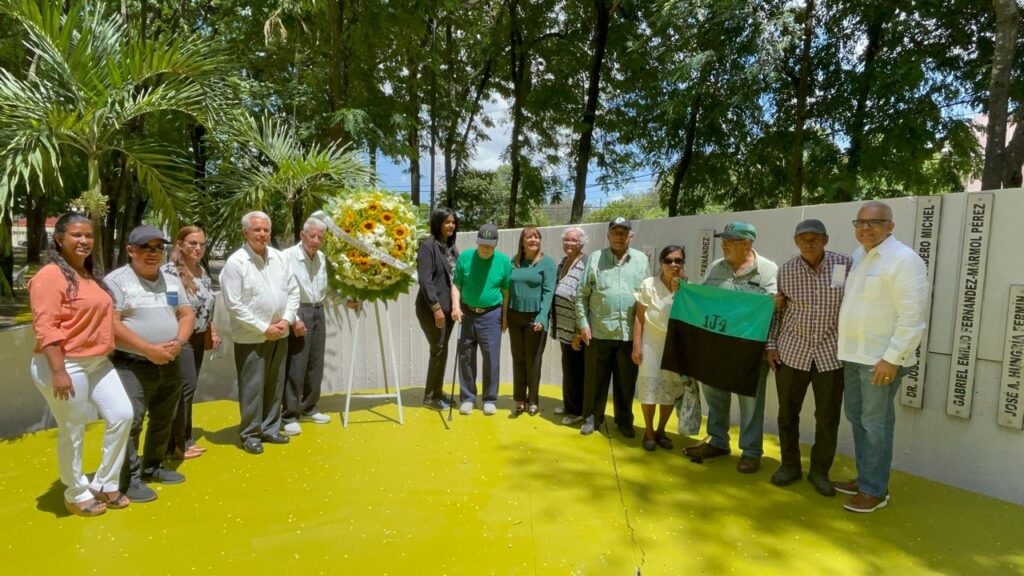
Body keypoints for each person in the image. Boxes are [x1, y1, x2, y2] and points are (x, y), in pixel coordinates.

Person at [28, 213, 134, 516]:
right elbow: (46, 327)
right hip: (65, 363)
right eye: (76, 235)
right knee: (73, 429)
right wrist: (58, 370)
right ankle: (75, 493)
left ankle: (105, 482)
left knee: (123, 415)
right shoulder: (49, 276)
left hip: (97, 362)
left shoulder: (87, 273)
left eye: (88, 235)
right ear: (59, 239)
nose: (84, 241)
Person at [833, 201, 929, 513]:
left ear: (890, 225)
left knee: (876, 425)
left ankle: (875, 490)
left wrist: (892, 359)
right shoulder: (858, 255)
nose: (866, 228)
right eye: (860, 222)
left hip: (880, 360)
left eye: (874, 222)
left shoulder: (904, 260)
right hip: (852, 356)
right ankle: (865, 478)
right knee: (857, 418)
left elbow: (913, 318)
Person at [107, 225, 195, 503]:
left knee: (163, 416)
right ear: (130, 250)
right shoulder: (116, 281)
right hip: (131, 363)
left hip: (169, 359)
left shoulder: (171, 280)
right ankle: (127, 480)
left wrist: (178, 342)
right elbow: (112, 324)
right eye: (145, 247)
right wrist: (147, 350)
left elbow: (186, 313)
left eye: (158, 248)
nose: (153, 253)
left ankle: (153, 466)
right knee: (131, 421)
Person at [683, 221, 777, 473]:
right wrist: (685, 289)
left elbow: (773, 310)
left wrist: (773, 307)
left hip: (749, 350)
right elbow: (703, 298)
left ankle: (751, 452)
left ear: (747, 243)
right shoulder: (716, 267)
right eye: (723, 240)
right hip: (717, 347)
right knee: (714, 394)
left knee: (750, 402)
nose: (723, 244)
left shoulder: (768, 270)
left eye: (730, 240)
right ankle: (718, 441)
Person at [766, 219, 851, 496]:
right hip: (792, 352)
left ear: (826, 240)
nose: (809, 243)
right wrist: (771, 345)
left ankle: (819, 472)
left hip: (831, 354)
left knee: (827, 417)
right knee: (787, 414)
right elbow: (778, 311)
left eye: (814, 238)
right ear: (796, 242)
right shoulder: (786, 271)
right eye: (803, 239)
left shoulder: (845, 265)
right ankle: (789, 466)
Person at [219, 211, 300, 455]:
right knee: (252, 387)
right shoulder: (236, 263)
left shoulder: (279, 258)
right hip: (251, 337)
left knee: (275, 385)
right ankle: (251, 434)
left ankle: (270, 428)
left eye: (266, 230)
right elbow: (234, 305)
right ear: (245, 232)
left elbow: (293, 291)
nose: (262, 234)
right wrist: (264, 328)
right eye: (257, 230)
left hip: (280, 333)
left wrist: (286, 320)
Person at [575, 217, 649, 438]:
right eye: (615, 232)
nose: (619, 236)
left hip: (629, 333)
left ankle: (624, 420)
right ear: (608, 235)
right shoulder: (596, 258)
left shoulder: (641, 260)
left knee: (626, 382)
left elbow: (647, 296)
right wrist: (583, 324)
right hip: (598, 332)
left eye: (623, 232)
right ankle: (592, 417)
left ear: (630, 236)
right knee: (594, 381)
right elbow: (581, 294)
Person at [162, 225, 221, 460]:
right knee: (184, 389)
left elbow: (206, 305)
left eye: (202, 244)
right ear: (180, 245)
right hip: (179, 338)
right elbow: (169, 308)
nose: (198, 248)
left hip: (198, 337)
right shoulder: (169, 272)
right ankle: (174, 444)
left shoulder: (201, 271)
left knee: (189, 389)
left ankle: (185, 438)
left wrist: (211, 329)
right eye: (193, 243)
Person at [451, 223, 512, 416]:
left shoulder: (503, 261)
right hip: (467, 313)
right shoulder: (465, 257)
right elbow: (456, 286)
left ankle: (489, 399)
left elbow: (506, 291)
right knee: (466, 356)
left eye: (489, 245)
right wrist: (455, 306)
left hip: (491, 314)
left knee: (491, 358)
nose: (485, 248)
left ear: (495, 243)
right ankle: (468, 398)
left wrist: (505, 317)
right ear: (477, 242)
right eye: (482, 243)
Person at [632, 245, 689, 451]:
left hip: (675, 346)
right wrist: (636, 345)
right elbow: (639, 317)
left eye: (678, 260)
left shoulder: (688, 288)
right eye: (669, 260)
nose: (674, 264)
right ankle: (648, 431)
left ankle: (661, 431)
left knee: (669, 388)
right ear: (661, 263)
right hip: (650, 343)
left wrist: (683, 288)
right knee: (649, 387)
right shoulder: (649, 284)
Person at [281, 217, 335, 435]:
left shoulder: (321, 257)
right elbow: (283, 291)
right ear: (302, 235)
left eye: (320, 237)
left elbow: (327, 289)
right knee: (296, 363)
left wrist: (346, 300)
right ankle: (289, 414)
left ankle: (309, 407)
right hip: (299, 310)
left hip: (318, 310)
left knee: (315, 362)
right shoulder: (287, 257)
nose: (316, 240)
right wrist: (294, 318)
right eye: (312, 236)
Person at [507, 226, 556, 416]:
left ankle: (533, 400)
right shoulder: (514, 261)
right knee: (518, 358)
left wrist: (542, 316)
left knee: (533, 360)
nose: (534, 240)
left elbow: (548, 292)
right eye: (529, 237)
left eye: (537, 237)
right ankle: (519, 399)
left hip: (536, 317)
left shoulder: (547, 263)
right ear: (522, 242)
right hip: (514, 316)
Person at [415, 208, 459, 410]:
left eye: (453, 222)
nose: (451, 226)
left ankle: (437, 391)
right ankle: (430, 397)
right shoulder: (428, 246)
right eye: (447, 222)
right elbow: (425, 280)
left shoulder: (451, 247)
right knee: (438, 348)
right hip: (432, 309)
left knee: (442, 349)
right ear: (438, 223)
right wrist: (436, 308)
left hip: (449, 308)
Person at [550, 226, 588, 424]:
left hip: (576, 330)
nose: (570, 243)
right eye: (567, 240)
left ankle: (577, 411)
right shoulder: (563, 262)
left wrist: (578, 332)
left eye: (574, 240)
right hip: (563, 328)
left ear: (582, 243)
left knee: (577, 371)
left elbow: (587, 300)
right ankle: (569, 404)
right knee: (569, 367)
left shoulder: (586, 264)